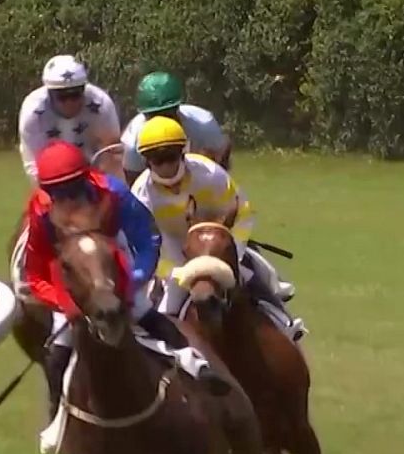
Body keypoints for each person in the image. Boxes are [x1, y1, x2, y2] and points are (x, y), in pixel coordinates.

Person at [18, 141, 228, 453]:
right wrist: (66, 303)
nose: (68, 198)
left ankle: (198, 369)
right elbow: (36, 273)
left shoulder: (113, 192)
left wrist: (136, 279)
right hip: (71, 277)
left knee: (148, 316)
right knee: (59, 347)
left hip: (115, 261)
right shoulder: (40, 210)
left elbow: (147, 238)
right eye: (58, 192)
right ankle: (59, 417)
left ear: (86, 179)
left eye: (73, 187)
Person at [129, 117, 298, 327]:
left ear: (183, 152)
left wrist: (233, 249)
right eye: (157, 159)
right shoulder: (140, 194)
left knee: (255, 275)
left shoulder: (210, 173)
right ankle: (174, 348)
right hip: (173, 246)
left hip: (219, 237)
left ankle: (285, 323)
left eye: (171, 157)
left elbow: (242, 210)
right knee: (168, 304)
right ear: (146, 161)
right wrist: (172, 272)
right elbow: (142, 244)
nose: (166, 166)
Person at [17, 55, 123, 185]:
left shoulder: (101, 104)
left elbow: (111, 152)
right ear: (49, 94)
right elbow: (33, 163)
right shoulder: (33, 112)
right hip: (54, 176)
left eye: (76, 95)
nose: (70, 103)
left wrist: (105, 190)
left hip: (94, 173)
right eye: (62, 97)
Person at [121, 71, 231, 183]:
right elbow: (134, 187)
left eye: (167, 113)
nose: (162, 120)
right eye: (154, 115)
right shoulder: (133, 143)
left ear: (178, 108)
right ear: (144, 114)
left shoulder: (203, 124)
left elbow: (222, 152)